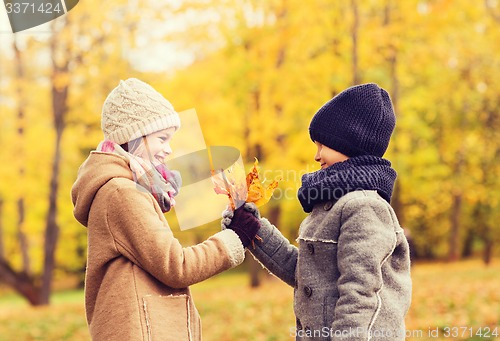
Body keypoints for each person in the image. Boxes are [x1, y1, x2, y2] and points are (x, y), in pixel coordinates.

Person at [71, 78, 259, 341]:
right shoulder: (121, 192)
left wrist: (232, 232)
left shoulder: (125, 188)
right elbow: (176, 266)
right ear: (134, 137)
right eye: (162, 138)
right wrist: (234, 238)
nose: (168, 149)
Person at [223, 83, 412, 340]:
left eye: (323, 145)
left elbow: (360, 293)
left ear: (351, 143)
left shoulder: (364, 207)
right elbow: (305, 273)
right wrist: (254, 230)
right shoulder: (330, 205)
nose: (316, 155)